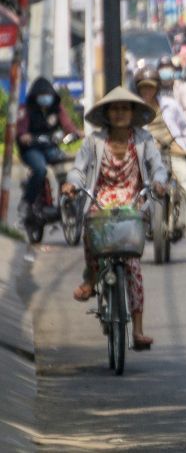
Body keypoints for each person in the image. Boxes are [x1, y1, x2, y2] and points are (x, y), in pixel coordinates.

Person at [63, 87, 166, 350]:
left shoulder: (144, 140)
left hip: (133, 202)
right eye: (115, 109)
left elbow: (158, 167)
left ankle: (139, 330)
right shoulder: (94, 141)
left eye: (125, 108)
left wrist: (159, 182)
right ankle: (90, 278)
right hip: (101, 201)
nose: (120, 113)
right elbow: (79, 169)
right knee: (91, 230)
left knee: (132, 266)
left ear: (133, 113)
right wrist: (72, 184)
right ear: (107, 113)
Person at [134, 68, 186, 257]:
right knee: (134, 194)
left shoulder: (170, 104)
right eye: (143, 88)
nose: (147, 92)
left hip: (173, 151)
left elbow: (185, 126)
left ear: (157, 88)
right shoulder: (134, 109)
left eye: (150, 88)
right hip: (145, 156)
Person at [16, 77, 82, 217]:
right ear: (35, 96)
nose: (46, 98)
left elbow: (67, 125)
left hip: (50, 146)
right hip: (31, 149)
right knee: (40, 170)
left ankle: (66, 200)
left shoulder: (57, 108)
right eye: (42, 95)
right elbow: (21, 130)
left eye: (48, 95)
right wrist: (24, 136)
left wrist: (76, 133)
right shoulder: (26, 109)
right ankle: (27, 202)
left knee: (66, 167)